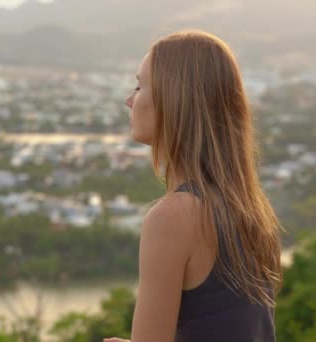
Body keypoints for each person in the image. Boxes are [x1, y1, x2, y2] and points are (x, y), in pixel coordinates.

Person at [104, 29, 283, 342]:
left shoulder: (173, 217)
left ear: (173, 100)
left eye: (139, 85)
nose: (129, 100)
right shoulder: (253, 211)